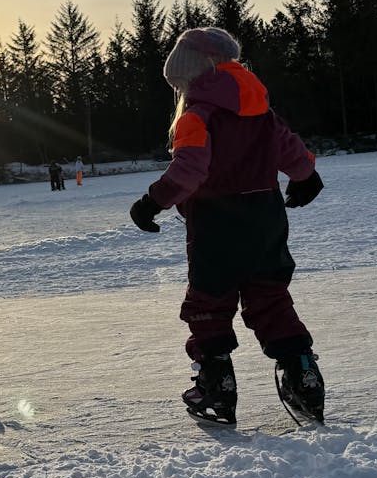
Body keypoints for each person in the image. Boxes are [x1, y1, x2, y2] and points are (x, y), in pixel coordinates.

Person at [128, 28, 325, 426]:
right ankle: (304, 376)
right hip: (266, 221)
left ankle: (217, 388)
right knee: (270, 299)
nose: (181, 93)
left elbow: (189, 169)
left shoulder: (199, 115)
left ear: (198, 75)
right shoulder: (261, 111)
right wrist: (306, 175)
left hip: (216, 225)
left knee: (208, 305)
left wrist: (151, 202)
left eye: (181, 84)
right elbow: (292, 149)